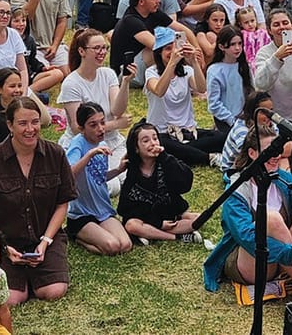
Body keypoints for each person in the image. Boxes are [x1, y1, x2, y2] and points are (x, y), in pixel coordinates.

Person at [203, 124, 292, 300]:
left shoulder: (286, 180)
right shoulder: (237, 188)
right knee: (271, 218)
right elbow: (245, 236)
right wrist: (291, 252)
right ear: (252, 153)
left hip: (282, 260)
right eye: (269, 150)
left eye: (277, 150)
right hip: (251, 261)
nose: (276, 155)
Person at [0, 96, 76, 305]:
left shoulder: (56, 154)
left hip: (45, 237)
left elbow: (63, 203)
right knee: (11, 299)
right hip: (7, 242)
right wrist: (3, 246)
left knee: (54, 290)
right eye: (23, 123)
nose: (30, 129)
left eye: (35, 122)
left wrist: (45, 242)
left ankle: (38, 273)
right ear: (9, 125)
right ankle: (20, 278)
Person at [144, 27, 225, 165]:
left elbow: (201, 88)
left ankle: (186, 153)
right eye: (168, 49)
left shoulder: (186, 71)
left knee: (222, 137)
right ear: (159, 52)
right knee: (163, 145)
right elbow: (159, 90)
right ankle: (208, 158)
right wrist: (172, 63)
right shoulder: (151, 72)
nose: (173, 52)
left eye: (175, 47)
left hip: (188, 130)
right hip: (163, 133)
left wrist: (194, 62)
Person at [57, 29, 132, 173]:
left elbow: (117, 110)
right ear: (82, 51)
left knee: (127, 175)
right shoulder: (71, 83)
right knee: (111, 184)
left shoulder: (108, 74)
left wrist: (126, 82)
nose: (102, 52)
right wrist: (117, 124)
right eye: (96, 48)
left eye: (104, 48)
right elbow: (77, 127)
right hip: (85, 145)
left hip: (112, 142)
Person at [117, 122, 202, 243]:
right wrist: (158, 223)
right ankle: (177, 237)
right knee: (132, 225)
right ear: (136, 148)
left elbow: (185, 184)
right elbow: (124, 208)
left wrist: (165, 158)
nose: (153, 143)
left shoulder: (167, 161)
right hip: (146, 218)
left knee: (199, 219)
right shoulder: (133, 170)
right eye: (145, 141)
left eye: (155, 138)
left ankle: (150, 234)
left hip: (169, 213)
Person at [65, 102, 131, 255]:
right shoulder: (78, 144)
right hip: (82, 214)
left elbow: (99, 177)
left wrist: (118, 169)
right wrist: (90, 154)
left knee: (125, 245)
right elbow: (69, 174)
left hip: (102, 210)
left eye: (102, 122)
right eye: (93, 125)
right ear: (82, 128)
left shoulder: (102, 143)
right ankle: (75, 234)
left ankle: (96, 233)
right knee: (112, 247)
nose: (100, 128)